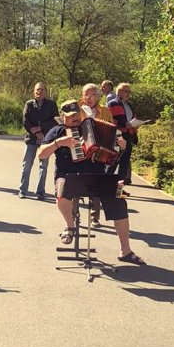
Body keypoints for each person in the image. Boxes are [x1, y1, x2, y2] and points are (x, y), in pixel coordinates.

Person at [38, 100, 145, 264]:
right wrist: (58, 143)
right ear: (62, 117)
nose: (74, 119)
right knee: (62, 190)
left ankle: (125, 251)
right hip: (68, 176)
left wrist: (121, 146)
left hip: (98, 176)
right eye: (70, 116)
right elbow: (41, 155)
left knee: (120, 200)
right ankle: (70, 226)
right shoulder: (57, 131)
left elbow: (113, 155)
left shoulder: (92, 127)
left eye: (76, 115)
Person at [79, 83, 116, 225]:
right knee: (77, 182)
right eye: (86, 94)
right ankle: (74, 215)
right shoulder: (77, 110)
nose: (89, 97)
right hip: (81, 151)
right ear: (82, 96)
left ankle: (94, 217)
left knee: (97, 183)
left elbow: (111, 128)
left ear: (98, 97)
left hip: (100, 152)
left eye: (92, 94)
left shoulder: (105, 111)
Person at [19, 82, 58, 199]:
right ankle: (23, 190)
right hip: (31, 139)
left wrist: (42, 129)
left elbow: (56, 121)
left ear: (45, 91)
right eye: (37, 90)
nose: (39, 92)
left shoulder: (51, 105)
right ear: (34, 92)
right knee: (26, 166)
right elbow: (25, 121)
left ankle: (40, 192)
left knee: (43, 167)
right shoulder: (29, 104)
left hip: (46, 139)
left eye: (41, 90)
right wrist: (36, 132)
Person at [107, 83, 137, 191]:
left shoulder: (129, 105)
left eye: (129, 92)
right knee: (113, 161)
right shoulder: (112, 104)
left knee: (124, 163)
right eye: (126, 91)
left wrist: (134, 126)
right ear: (119, 92)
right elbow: (109, 120)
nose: (129, 94)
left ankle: (120, 188)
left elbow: (132, 118)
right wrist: (123, 124)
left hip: (128, 135)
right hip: (117, 135)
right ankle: (105, 185)